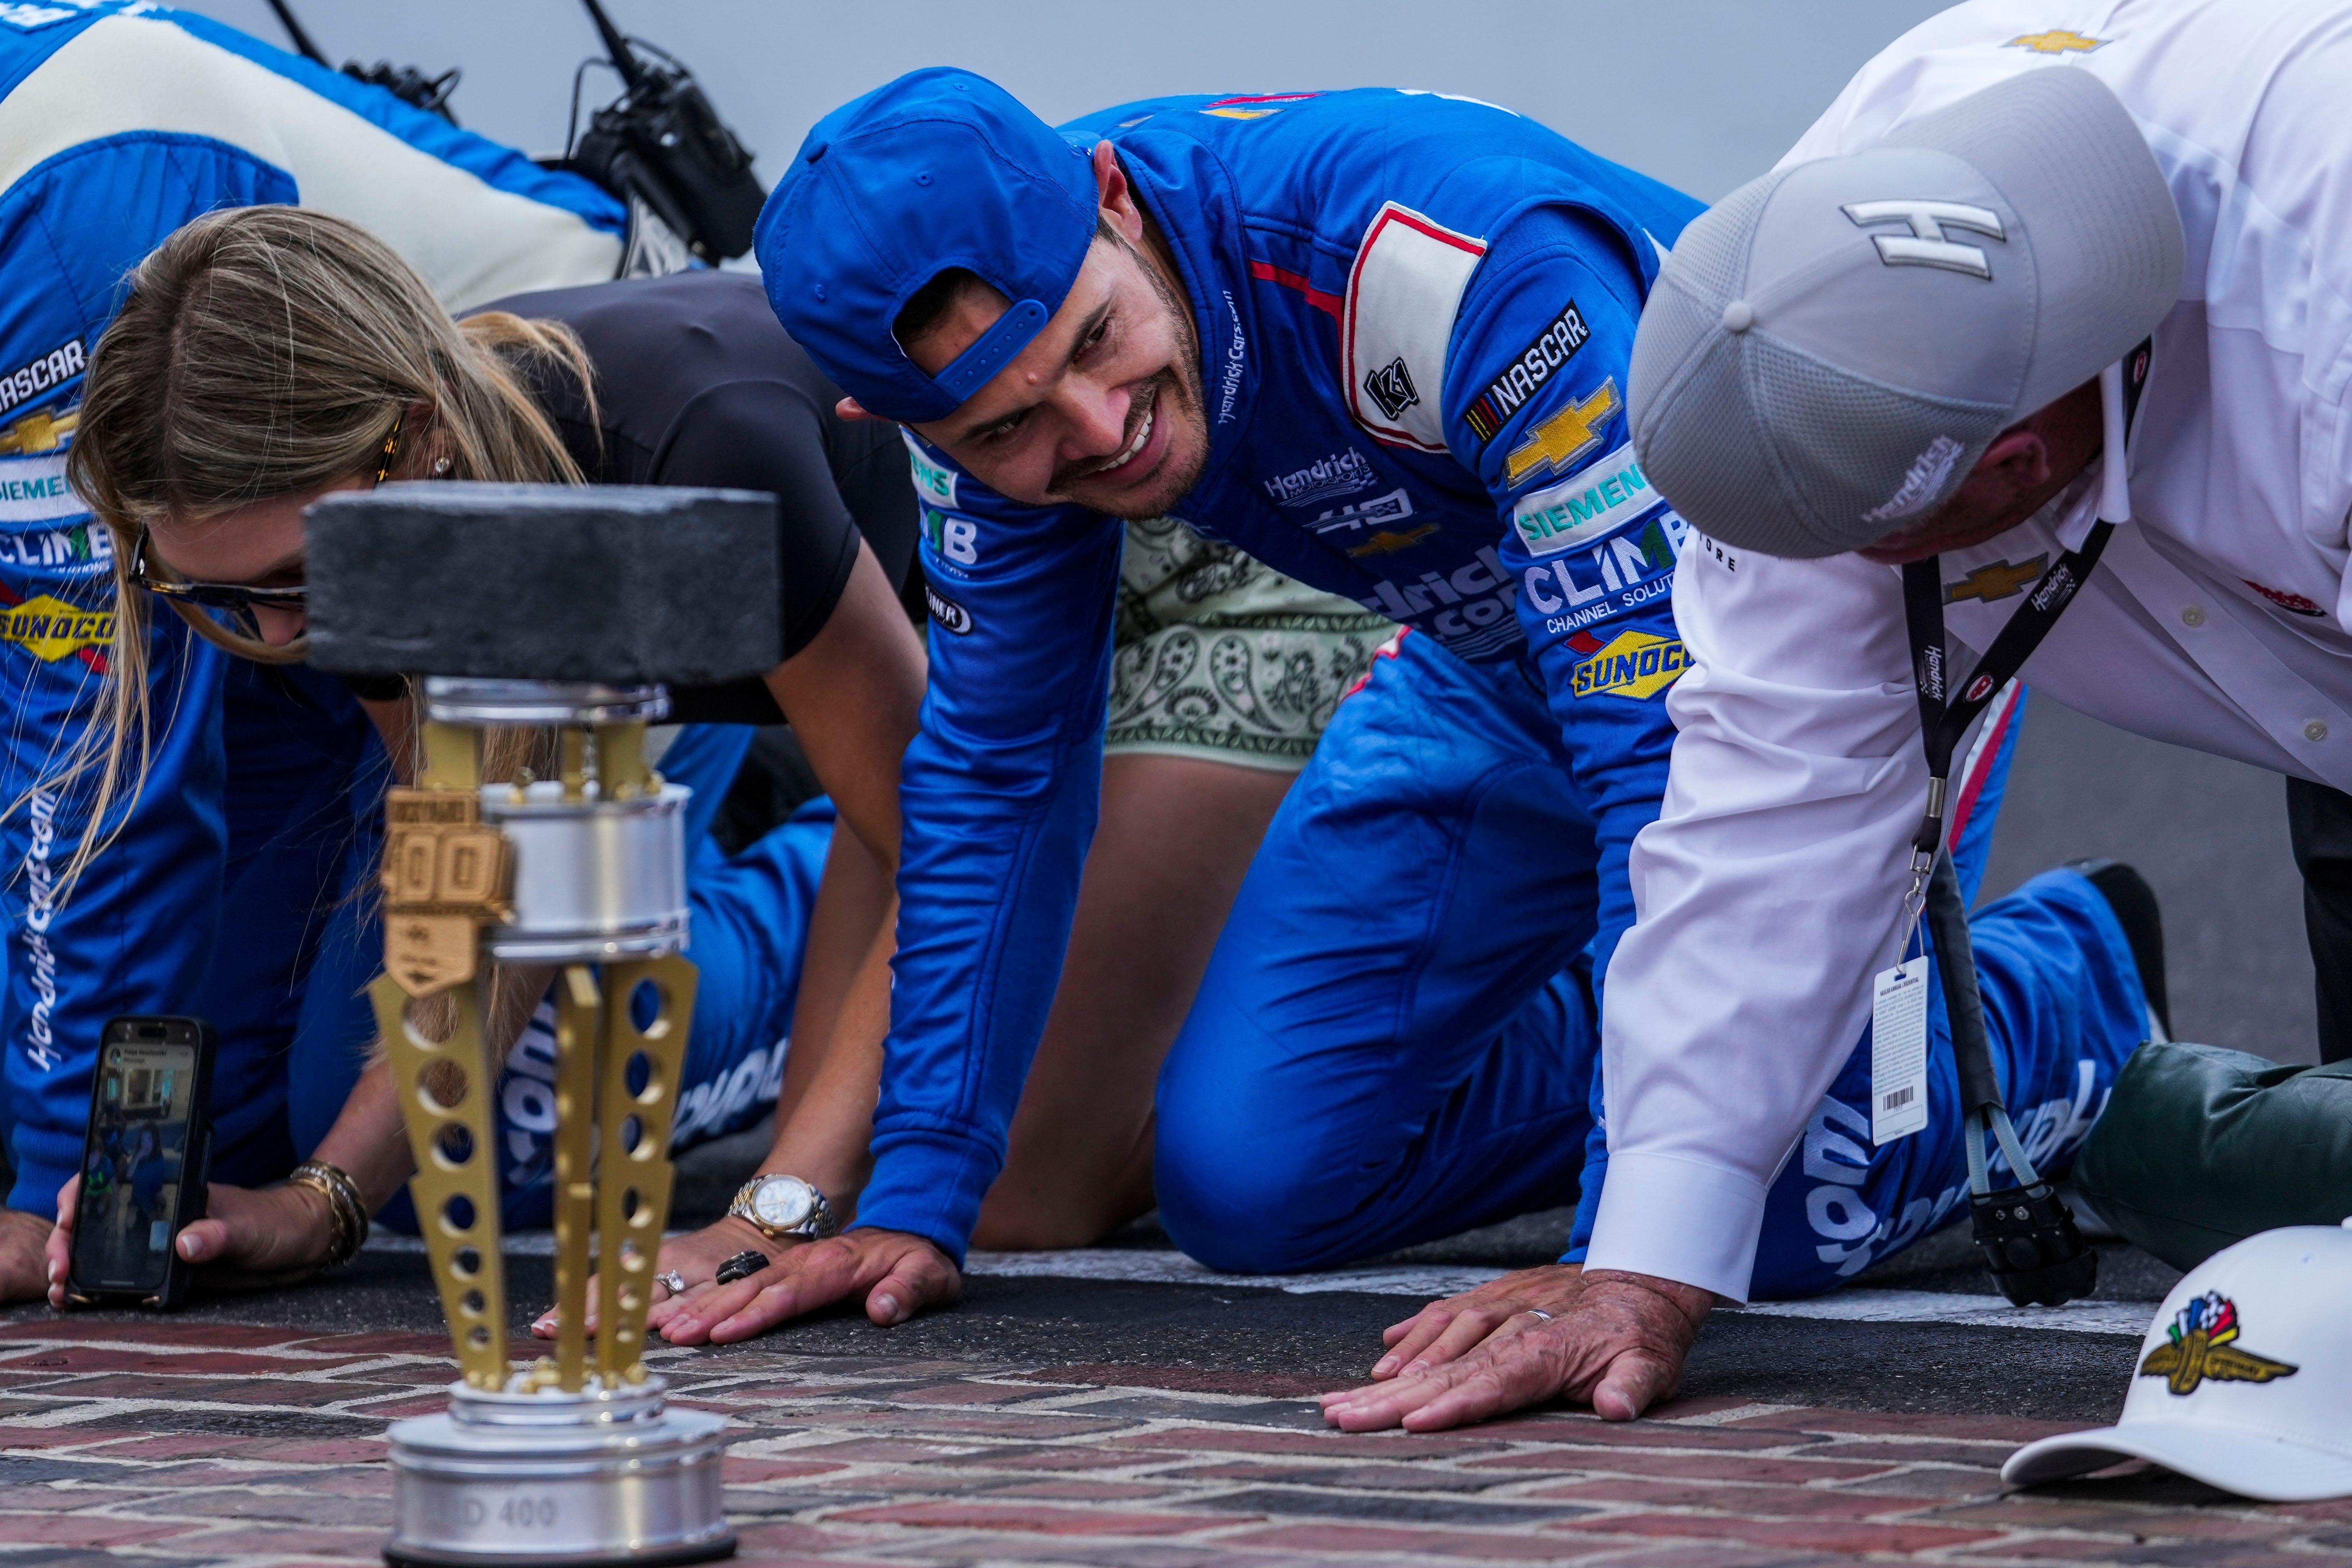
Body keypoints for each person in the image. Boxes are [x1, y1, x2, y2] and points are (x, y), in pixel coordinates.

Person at [650, 68, 2156, 1379]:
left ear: (1109, 196)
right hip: (1480, 666)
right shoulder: (989, 381)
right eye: (1005, 433)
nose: (1095, 432)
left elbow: (1664, 740)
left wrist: (1621, 1246)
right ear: (889, 422)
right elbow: (996, 773)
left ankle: (2051, 993)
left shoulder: (1446, 262)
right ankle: (1728, 1048)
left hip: (1782, 682)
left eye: (1096, 343)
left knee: (1746, 1221)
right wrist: (912, 1194)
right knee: (1252, 1187)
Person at [1348, 0, 2352, 1433]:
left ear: (2016, 470)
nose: (1841, 589)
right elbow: (1773, 806)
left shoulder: (2318, 297)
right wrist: (1639, 1266)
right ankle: (2148, 1121)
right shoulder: (1810, 344)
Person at [38, 207, 922, 1293]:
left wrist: (780, 1212)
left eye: (290, 583)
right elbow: (481, 881)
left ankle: (804, 848)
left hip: (978, 680)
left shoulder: (707, 440)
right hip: (702, 652)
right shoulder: (378, 517)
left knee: (986, 1176)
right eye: (217, 594)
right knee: (389, 1127)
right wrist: (325, 1201)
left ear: (419, 441)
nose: (275, 635)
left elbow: (945, 837)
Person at [0, 0, 656, 1297]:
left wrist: (47, 1191)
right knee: (212, 1134)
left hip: (502, 514)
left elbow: (94, 747)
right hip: (252, 579)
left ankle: (753, 895)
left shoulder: (64, 213)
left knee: (333, 1129)